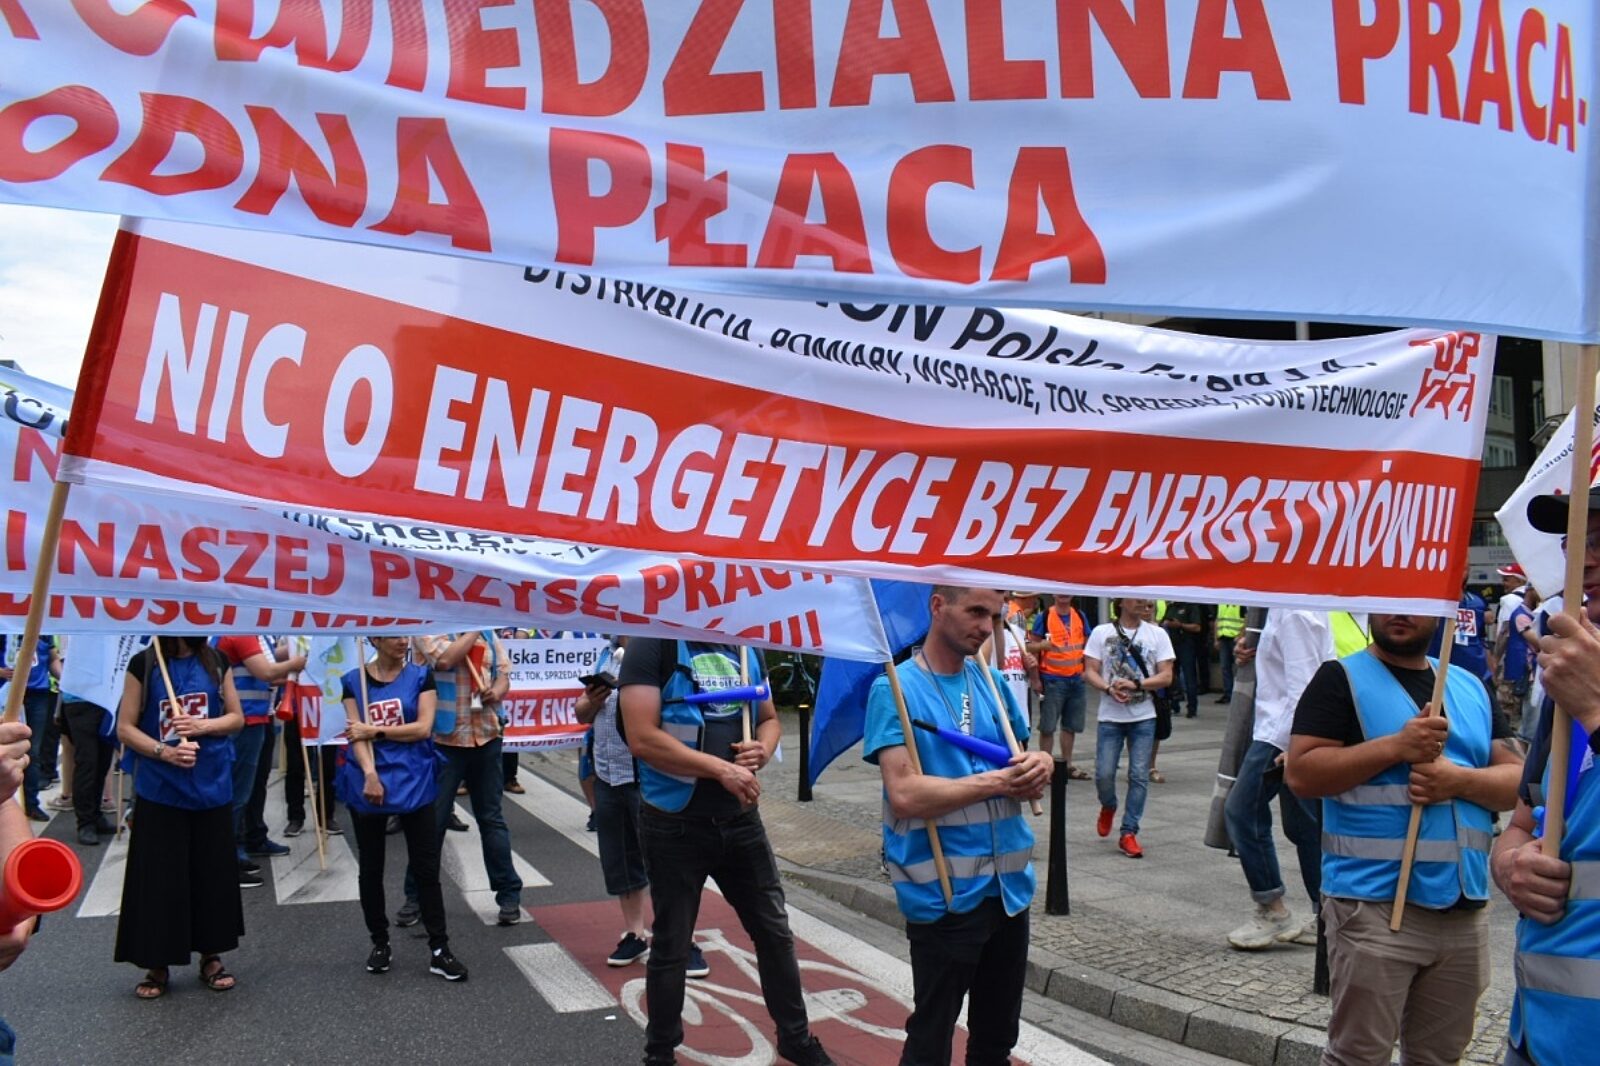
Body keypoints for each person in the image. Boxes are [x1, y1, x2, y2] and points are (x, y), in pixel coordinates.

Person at [1286, 613, 1522, 1066]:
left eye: (1415, 603)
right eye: (1389, 601)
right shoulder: (1341, 678)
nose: (1399, 612)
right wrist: (1396, 746)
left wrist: (1457, 782)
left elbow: (1518, 781)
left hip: (1463, 907)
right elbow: (1301, 773)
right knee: (1359, 1055)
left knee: (1440, 1057)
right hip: (1373, 905)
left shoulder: (1470, 685)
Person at [620, 638, 833, 1066]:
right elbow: (641, 737)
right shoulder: (654, 644)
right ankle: (660, 1053)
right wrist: (720, 769)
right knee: (673, 944)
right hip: (673, 824)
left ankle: (795, 1038)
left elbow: (769, 719)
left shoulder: (743, 647)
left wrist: (765, 748)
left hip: (740, 820)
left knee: (774, 933)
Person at [864, 585, 1052, 1065]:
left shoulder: (988, 680)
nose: (985, 627)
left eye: (993, 616)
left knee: (996, 1040)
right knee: (931, 1040)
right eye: (974, 612)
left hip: (1009, 893)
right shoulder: (896, 687)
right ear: (936, 606)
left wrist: (1041, 764)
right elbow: (904, 794)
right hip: (944, 898)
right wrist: (997, 782)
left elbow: (1022, 764)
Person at [1492, 489, 1600, 1066]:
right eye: (1576, 542)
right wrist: (1511, 865)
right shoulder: (1568, 696)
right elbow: (1520, 822)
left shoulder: (1586, 694)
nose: (1582, 560)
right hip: (1538, 1037)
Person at [1223, 610, 1367, 951]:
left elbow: (1305, 684)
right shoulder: (1293, 607)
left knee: (1241, 810)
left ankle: (1273, 909)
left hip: (1282, 735)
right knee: (1305, 826)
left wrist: (1297, 745)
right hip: (1289, 731)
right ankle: (1325, 916)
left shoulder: (1294, 612)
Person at [114, 636, 246, 999]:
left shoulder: (216, 660)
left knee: (210, 872)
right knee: (160, 877)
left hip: (211, 783)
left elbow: (236, 718)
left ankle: (211, 955)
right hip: (161, 787)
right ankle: (157, 962)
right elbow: (125, 727)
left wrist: (204, 727)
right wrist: (163, 752)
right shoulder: (144, 663)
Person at [337, 635, 466, 981]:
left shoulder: (421, 677)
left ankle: (440, 948)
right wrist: (369, 773)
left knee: (426, 867)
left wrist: (376, 730)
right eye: (393, 635)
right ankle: (379, 942)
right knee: (371, 866)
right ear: (374, 639)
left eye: (404, 634)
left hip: (415, 782)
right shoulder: (353, 682)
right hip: (370, 782)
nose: (401, 641)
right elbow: (355, 735)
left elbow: (423, 728)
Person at [397, 631, 522, 928]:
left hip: (486, 736)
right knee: (431, 823)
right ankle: (415, 896)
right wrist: (475, 626)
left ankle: (508, 895)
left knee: (492, 819)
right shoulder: (432, 628)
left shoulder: (489, 633)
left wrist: (498, 690)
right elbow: (444, 659)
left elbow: (503, 673)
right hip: (444, 741)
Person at [1084, 598, 1174, 858]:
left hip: (1144, 716)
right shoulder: (1102, 633)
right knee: (1103, 774)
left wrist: (1137, 685)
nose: (1144, 602)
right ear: (1121, 601)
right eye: (1136, 596)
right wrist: (1107, 688)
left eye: (1146, 598)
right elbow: (1089, 670)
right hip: (1110, 717)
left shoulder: (1157, 634)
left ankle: (1129, 832)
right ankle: (1108, 805)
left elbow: (1166, 675)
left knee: (1138, 775)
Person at [214, 635, 305, 887]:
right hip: (243, 719)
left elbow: (272, 658)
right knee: (238, 792)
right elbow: (266, 671)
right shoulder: (241, 631)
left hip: (257, 716)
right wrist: (298, 662)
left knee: (254, 786)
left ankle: (252, 838)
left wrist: (305, 645)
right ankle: (229, 857)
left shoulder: (256, 632)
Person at [1027, 593, 1090, 780]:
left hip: (1076, 679)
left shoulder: (1079, 615)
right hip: (1052, 679)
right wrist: (1035, 679)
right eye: (1060, 592)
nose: (1063, 595)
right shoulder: (1045, 616)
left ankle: (1067, 765)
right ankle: (1046, 769)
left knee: (1071, 725)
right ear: (1053, 594)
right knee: (1048, 726)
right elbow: (1032, 647)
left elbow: (1087, 643)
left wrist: (1087, 669)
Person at [1, 635, 58, 821]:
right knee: (5, 749)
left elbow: (53, 659)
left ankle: (31, 803)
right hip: (6, 693)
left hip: (38, 695)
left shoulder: (45, 630)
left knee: (31, 751)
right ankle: (7, 805)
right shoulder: (6, 625)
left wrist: (67, 681)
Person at [1161, 602, 1206, 717]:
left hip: (1186, 645)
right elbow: (1163, 622)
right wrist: (1166, 623)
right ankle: (1174, 705)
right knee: (1172, 676)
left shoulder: (1191, 606)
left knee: (1189, 676)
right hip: (1172, 645)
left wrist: (1180, 625)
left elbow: (1197, 627)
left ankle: (1192, 708)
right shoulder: (1171, 607)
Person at [1214, 604, 1246, 704]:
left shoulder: (1240, 603)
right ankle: (1228, 694)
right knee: (1225, 667)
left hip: (1235, 639)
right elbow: (1217, 620)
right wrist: (1216, 638)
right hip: (1223, 638)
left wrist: (1241, 636)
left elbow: (1247, 620)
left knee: (1238, 668)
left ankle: (1238, 694)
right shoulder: (1221, 603)